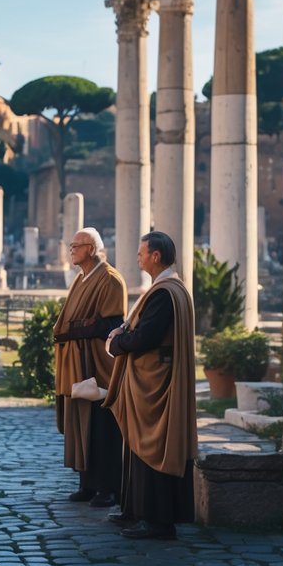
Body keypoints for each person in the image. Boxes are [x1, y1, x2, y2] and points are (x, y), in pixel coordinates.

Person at [103, 230, 198, 540]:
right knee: (140, 446)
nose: (138, 258)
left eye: (142, 253)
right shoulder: (172, 288)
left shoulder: (163, 293)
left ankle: (156, 520)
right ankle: (136, 511)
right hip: (156, 378)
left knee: (152, 446)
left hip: (154, 383)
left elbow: (147, 337)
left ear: (156, 256)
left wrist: (117, 344)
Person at [54, 227, 128, 508]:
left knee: (101, 427)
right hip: (75, 364)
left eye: (77, 245)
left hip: (96, 365)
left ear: (92, 249)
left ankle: (108, 488)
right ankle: (87, 483)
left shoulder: (109, 279)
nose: (71, 249)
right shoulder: (81, 278)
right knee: (80, 425)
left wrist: (74, 330)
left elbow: (112, 324)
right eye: (71, 245)